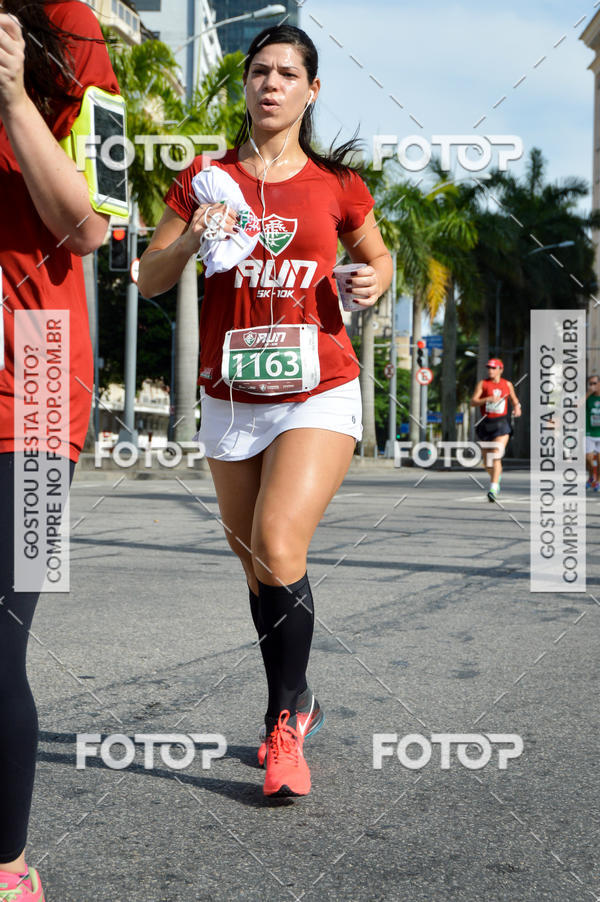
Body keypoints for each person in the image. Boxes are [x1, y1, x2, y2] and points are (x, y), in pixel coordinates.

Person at [138, 24, 392, 798]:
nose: (271, 83)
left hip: (318, 385)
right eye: (259, 72)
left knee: (280, 540)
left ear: (311, 91)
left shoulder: (337, 186)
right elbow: (149, 276)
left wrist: (374, 281)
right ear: (245, 87)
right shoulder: (202, 179)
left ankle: (285, 723)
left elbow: (378, 257)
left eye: (288, 73)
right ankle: (299, 694)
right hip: (231, 394)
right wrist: (190, 245)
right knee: (257, 562)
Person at [0, 3, 122, 898]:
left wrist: (12, 96)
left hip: (37, 387)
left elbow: (94, 225)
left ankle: (8, 870)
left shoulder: (76, 29)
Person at [471, 358, 521, 502]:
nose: (490, 370)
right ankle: (496, 476)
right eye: (489, 368)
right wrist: (487, 399)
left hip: (501, 424)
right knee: (487, 462)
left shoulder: (507, 384)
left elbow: (514, 399)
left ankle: (493, 487)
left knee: (496, 455)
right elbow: (473, 401)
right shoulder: (483, 384)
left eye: (493, 368)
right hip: (486, 424)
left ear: (501, 369)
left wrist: (517, 407)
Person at [585, 374, 600, 490]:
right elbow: (576, 406)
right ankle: (591, 476)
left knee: (599, 460)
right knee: (588, 459)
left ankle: (598, 481)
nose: (592, 386)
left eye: (594, 383)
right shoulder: (587, 397)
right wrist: (588, 393)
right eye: (590, 384)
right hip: (589, 433)